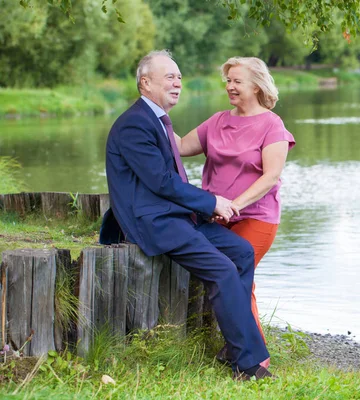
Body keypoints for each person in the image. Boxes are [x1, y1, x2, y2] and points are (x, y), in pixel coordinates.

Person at [99, 50, 272, 381]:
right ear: (145, 83)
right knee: (221, 269)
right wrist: (212, 203)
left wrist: (202, 207)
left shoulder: (159, 120)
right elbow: (161, 182)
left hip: (175, 216)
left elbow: (169, 184)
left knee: (241, 252)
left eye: (179, 77)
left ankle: (234, 346)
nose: (177, 82)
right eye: (169, 77)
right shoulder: (135, 124)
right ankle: (247, 364)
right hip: (152, 223)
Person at [176, 57, 295, 368]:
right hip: (215, 218)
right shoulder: (216, 122)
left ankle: (256, 359)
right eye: (228, 80)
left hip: (256, 218)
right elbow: (179, 145)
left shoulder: (273, 125)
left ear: (256, 86)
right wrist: (155, 116)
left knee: (236, 276)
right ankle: (239, 349)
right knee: (231, 279)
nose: (229, 86)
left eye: (236, 81)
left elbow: (270, 177)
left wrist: (234, 205)